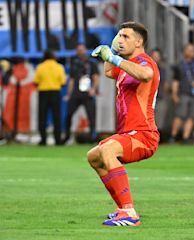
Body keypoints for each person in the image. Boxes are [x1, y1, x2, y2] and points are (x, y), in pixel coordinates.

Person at [89, 21, 160, 227]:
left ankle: (129, 213)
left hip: (144, 135)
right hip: (129, 133)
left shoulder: (147, 63)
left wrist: (113, 57)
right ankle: (121, 208)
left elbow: (146, 75)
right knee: (94, 157)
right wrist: (110, 50)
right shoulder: (125, 66)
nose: (121, 40)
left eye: (126, 37)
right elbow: (110, 72)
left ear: (139, 42)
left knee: (108, 150)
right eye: (119, 36)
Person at [63, 43, 100, 144]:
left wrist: (93, 89)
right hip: (76, 93)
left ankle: (93, 137)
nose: (80, 51)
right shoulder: (74, 63)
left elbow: (96, 77)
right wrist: (69, 94)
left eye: (82, 49)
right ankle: (67, 135)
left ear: (85, 50)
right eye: (78, 50)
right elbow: (71, 80)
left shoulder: (91, 63)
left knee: (91, 116)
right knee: (68, 115)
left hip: (87, 94)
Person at [170, 44, 194, 144]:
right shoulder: (179, 65)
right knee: (180, 115)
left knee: (192, 116)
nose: (192, 52)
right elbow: (176, 81)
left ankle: (186, 137)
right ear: (184, 51)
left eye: (193, 50)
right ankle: (173, 136)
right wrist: (174, 94)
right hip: (184, 93)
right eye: (189, 50)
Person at [34, 49, 66, 145]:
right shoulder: (59, 67)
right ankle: (58, 140)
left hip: (43, 93)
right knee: (56, 117)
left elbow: (36, 81)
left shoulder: (40, 67)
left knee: (42, 117)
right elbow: (62, 82)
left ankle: (43, 139)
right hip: (55, 92)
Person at [150, 48, 169, 141]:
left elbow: (165, 83)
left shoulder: (162, 70)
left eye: (157, 56)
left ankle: (157, 138)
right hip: (148, 98)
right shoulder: (146, 68)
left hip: (159, 96)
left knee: (159, 118)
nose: (155, 58)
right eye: (154, 56)